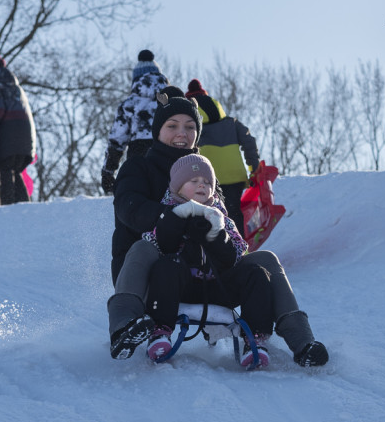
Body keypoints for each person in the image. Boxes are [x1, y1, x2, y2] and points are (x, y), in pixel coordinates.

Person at [107, 94, 329, 367]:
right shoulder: (138, 166)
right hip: (153, 274)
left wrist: (215, 234)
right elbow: (131, 209)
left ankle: (303, 342)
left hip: (205, 275)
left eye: (190, 127)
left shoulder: (206, 174)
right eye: (172, 125)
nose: (182, 133)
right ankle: (125, 328)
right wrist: (177, 218)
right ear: (158, 130)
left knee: (266, 260)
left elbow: (228, 234)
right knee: (141, 246)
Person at [142, 154, 275, 365]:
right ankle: (159, 331)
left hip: (218, 287)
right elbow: (154, 243)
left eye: (206, 182)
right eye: (193, 181)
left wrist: (216, 235)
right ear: (177, 187)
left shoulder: (222, 218)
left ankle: (256, 339)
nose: (201, 185)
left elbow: (239, 254)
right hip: (181, 287)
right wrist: (178, 221)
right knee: (166, 266)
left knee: (256, 273)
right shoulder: (167, 213)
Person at [185, 78, 260, 237]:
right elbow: (249, 142)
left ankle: (216, 255)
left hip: (207, 178)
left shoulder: (192, 128)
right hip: (234, 176)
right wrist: (254, 169)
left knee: (209, 218)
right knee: (234, 215)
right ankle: (241, 251)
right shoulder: (231, 123)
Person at [101, 49, 170, 194]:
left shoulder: (130, 104)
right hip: (168, 154)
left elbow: (117, 141)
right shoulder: (173, 102)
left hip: (140, 155)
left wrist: (108, 171)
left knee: (141, 198)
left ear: (136, 80)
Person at [0, 56, 36, 206]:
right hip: (26, 137)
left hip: (8, 136)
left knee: (6, 170)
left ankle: (7, 209)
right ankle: (25, 207)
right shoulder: (17, 87)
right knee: (16, 171)